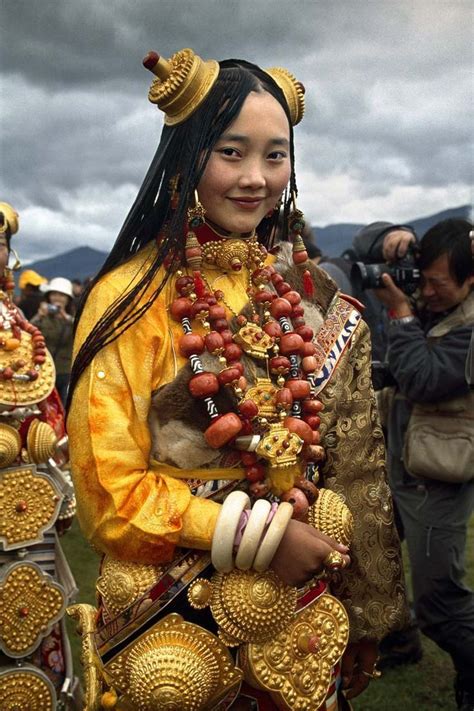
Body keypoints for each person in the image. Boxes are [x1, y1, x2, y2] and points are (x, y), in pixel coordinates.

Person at [67, 48, 407, 711]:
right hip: (177, 623)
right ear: (185, 155)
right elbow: (108, 494)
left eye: (275, 156)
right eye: (232, 152)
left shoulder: (288, 291)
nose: (256, 178)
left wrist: (360, 607)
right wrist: (265, 539)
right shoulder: (128, 301)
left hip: (304, 606)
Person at [374, 218, 474, 711]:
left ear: (471, 281)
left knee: (439, 605)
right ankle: (398, 642)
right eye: (423, 278)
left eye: (439, 284)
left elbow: (424, 380)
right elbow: (362, 249)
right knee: (373, 565)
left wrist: (401, 318)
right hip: (400, 466)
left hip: (438, 480)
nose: (427, 291)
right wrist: (393, 236)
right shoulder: (441, 306)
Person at [0, 203, 79, 709]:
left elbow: (47, 409)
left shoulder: (18, 324)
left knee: (28, 621)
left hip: (26, 503)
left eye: (2, 244)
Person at [31, 277, 75, 405]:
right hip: (44, 370)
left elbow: (80, 331)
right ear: (48, 297)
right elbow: (28, 332)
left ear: (68, 299)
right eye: (54, 294)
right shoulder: (43, 317)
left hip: (65, 372)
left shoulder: (71, 319)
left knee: (64, 405)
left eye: (62, 295)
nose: (57, 298)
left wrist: (65, 316)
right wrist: (39, 315)